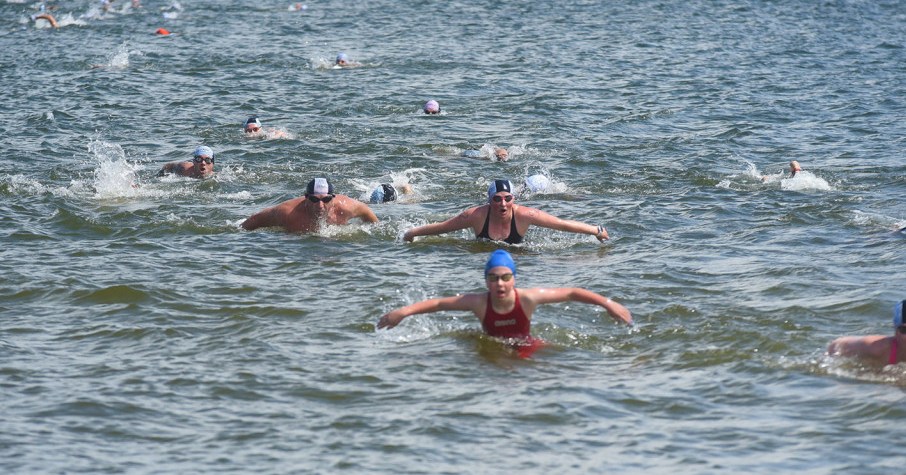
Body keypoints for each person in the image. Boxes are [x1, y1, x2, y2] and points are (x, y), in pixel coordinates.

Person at [376, 249, 632, 340]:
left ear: (514, 279)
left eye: (505, 277)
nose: (500, 283)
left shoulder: (529, 298)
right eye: (493, 278)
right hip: (493, 345)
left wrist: (609, 304)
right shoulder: (478, 302)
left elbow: (572, 293)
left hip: (524, 345)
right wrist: (403, 312)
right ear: (486, 281)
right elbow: (440, 303)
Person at [402, 179, 610, 244]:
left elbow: (562, 224)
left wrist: (596, 230)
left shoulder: (525, 215)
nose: (503, 203)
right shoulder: (475, 216)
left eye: (507, 198)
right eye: (497, 199)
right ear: (489, 201)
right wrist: (412, 233)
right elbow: (443, 227)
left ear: (513, 200)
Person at [241, 177, 378, 233]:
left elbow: (368, 213)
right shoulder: (287, 212)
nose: (320, 205)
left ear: (332, 198)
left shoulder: (345, 207)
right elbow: (255, 220)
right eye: (314, 199)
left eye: (325, 200)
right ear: (306, 198)